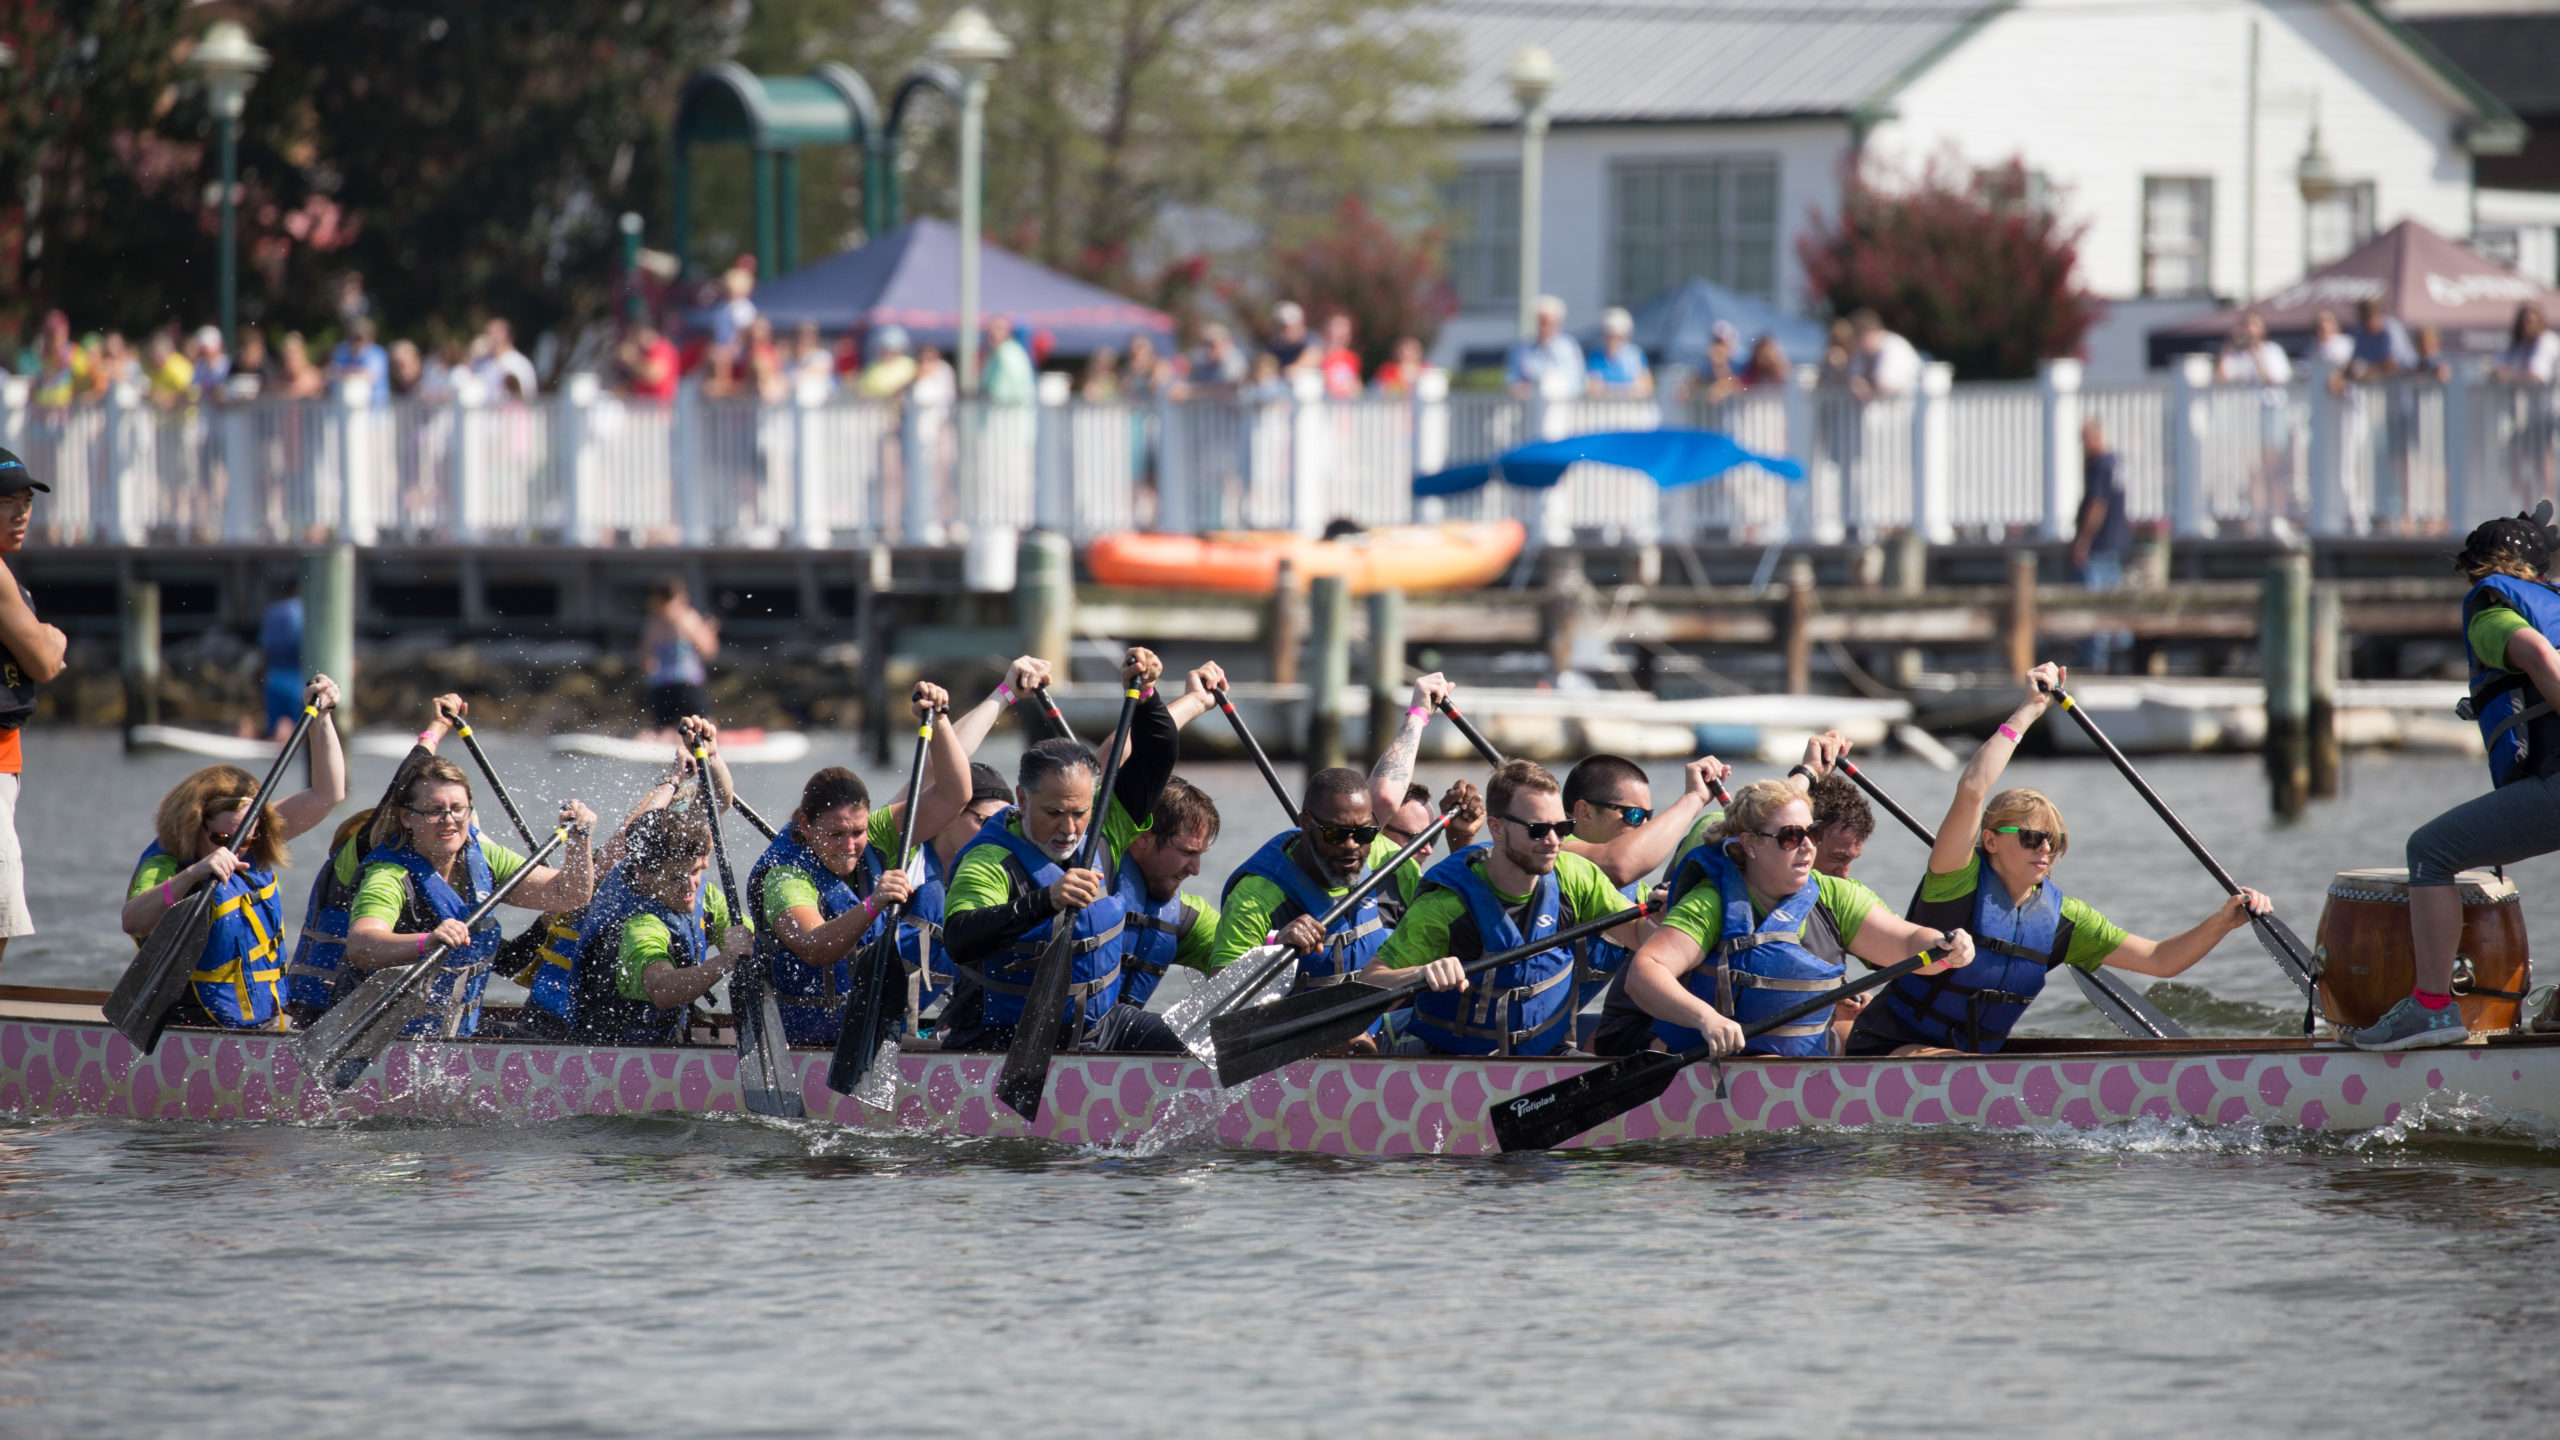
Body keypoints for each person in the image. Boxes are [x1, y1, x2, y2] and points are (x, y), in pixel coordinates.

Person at [1846, 661, 2272, 1056]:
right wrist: (2030, 710)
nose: (2045, 849)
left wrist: (2223, 922)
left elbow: (2161, 960)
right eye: (2030, 837)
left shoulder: (2064, 921)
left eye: (2054, 840)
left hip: (1969, 1064)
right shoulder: (1954, 880)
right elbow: (1973, 788)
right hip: (1888, 1048)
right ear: (1990, 840)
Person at [1615, 777, 1974, 1059]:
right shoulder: (1711, 903)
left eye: (1812, 833)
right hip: (1726, 1063)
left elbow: (1908, 944)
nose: (1807, 846)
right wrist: (1706, 1019)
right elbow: (1645, 973)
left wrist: (1945, 945)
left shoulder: (1834, 895)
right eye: (1790, 837)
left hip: (1809, 1065)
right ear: (1750, 843)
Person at [2377, 507, 2560, 1051]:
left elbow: (2536, 654)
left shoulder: (2490, 612)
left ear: (2474, 570)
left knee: (2430, 851)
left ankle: (2432, 1009)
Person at [937, 648, 1180, 1054]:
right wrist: (1045, 900)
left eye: (1079, 812)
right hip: (1003, 1039)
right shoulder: (990, 861)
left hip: (1099, 1027)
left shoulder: (1106, 822)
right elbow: (961, 938)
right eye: (1054, 812)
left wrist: (1148, 693)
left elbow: (1158, 751)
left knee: (1201, 1042)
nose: (1068, 829)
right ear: (1022, 799)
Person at [1358, 760, 1653, 1057]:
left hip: (1545, 1053)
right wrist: (1421, 973)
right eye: (1538, 830)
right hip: (1450, 1059)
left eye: (1562, 828)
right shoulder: (1446, 906)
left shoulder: (1574, 876)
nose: (1553, 842)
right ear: (1497, 829)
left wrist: (1668, 917)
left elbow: (1641, 934)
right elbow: (1369, 983)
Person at [114, 678, 347, 1031]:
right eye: (223, 837)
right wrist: (193, 875)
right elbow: (133, 920)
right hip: (195, 1025)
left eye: (247, 837)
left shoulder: (252, 843)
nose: (237, 846)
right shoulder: (167, 862)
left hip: (267, 1018)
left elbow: (327, 794)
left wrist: (322, 717)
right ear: (193, 826)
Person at [747, 685, 968, 1045]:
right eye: (835, 834)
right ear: (805, 825)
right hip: (803, 1044)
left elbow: (955, 795)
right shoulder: (785, 877)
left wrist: (940, 721)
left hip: (868, 1031)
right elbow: (814, 947)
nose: (849, 846)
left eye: (857, 831)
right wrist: (874, 903)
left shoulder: (878, 834)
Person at [1368, 672, 1725, 890]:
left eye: (1649, 818)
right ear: (1583, 812)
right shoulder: (1554, 856)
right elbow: (1621, 865)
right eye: (1632, 817)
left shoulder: (1617, 889)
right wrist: (1693, 799)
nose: (1644, 827)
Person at [338, 760, 595, 1038]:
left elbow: (568, 894)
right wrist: (427, 941)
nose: (449, 820)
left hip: (455, 1034)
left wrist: (580, 840)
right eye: (435, 811)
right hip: (383, 1037)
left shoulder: (484, 857)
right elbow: (362, 946)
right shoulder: (388, 875)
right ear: (406, 817)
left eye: (457, 809)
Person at [282, 694, 468, 1024]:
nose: (447, 821)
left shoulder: (427, 871)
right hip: (324, 1015)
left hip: (384, 1018)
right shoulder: (372, 854)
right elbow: (400, 786)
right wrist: (435, 728)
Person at [1211, 767, 1405, 1000]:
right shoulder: (1253, 898)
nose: (1352, 846)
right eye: (1336, 834)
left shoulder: (1390, 861)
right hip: (1299, 1029)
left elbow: (1444, 903)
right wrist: (1273, 950)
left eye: (1363, 833)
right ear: (1305, 823)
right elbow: (1219, 1000)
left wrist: (1461, 840)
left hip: (1380, 1025)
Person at [566, 807, 754, 1047]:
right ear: (642, 874)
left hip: (666, 1039)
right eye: (676, 878)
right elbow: (662, 989)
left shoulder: (701, 896)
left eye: (695, 871)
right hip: (615, 1053)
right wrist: (726, 960)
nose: (690, 887)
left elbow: (752, 939)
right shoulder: (635, 926)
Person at [0, 449, 65, 968]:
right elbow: (43, 661)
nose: (20, 513)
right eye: (6, 502)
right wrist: (53, 636)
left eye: (25, 502)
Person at [1106, 777, 1224, 1015]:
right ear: (1142, 837)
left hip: (1115, 1034)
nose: (1195, 869)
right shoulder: (1084, 887)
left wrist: (1282, 942)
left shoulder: (1185, 917)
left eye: (1200, 854)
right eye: (1187, 852)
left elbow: (1243, 958)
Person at [2073, 416, 2133, 672]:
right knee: (2114, 602)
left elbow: (2097, 505)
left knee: (2094, 604)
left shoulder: (2099, 465)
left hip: (2099, 545)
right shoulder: (2115, 462)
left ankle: (2096, 663)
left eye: (2084, 439)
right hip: (2117, 542)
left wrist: (2083, 540)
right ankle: (2118, 657)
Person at [639, 574, 718, 737]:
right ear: (679, 594)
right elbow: (708, 651)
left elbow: (646, 661)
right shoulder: (687, 617)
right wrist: (710, 632)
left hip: (660, 684)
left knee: (663, 731)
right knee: (705, 726)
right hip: (687, 683)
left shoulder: (652, 623)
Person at [1506, 296, 1585, 403]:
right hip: (1528, 408)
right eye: (1539, 322)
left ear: (1558, 323)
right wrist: (1521, 390)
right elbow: (1512, 381)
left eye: (1546, 322)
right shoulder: (1521, 349)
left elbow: (1577, 382)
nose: (1542, 327)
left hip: (1562, 407)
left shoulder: (1568, 348)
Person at [258, 582, 305, 741]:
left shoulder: (273, 611)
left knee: (276, 730)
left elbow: (264, 649)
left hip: (273, 678)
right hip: (297, 679)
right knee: (300, 733)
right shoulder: (305, 611)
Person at [1847, 309, 1921, 400]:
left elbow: (1884, 383)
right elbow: (1854, 376)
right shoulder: (1863, 352)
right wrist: (1858, 384)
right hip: (1887, 409)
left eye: (1861, 337)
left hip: (1909, 404)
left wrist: (1868, 389)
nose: (1860, 343)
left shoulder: (1892, 346)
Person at [1588, 307, 1654, 399]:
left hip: (1631, 408)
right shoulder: (1596, 357)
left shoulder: (1635, 355)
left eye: (1618, 337)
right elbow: (1593, 387)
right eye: (1609, 336)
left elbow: (1646, 386)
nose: (1613, 341)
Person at [331, 317, 390, 405]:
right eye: (352, 338)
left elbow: (372, 376)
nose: (355, 342)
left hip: (376, 407)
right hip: (345, 408)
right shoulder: (341, 350)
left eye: (359, 338)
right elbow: (332, 372)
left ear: (370, 338)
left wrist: (345, 372)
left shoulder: (377, 353)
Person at [620, 322, 679, 402]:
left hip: (655, 407)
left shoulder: (661, 347)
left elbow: (654, 375)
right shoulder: (645, 353)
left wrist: (632, 359)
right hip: (641, 404)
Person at [1318, 314, 1362, 398]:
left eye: (1346, 327)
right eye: (1339, 326)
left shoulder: (1352, 358)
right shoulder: (1318, 355)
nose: (1344, 331)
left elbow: (1357, 385)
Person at [1265, 302, 1315, 374]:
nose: (1284, 331)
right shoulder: (1275, 346)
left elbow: (1312, 357)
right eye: (1281, 327)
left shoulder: (1311, 339)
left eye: (1287, 327)